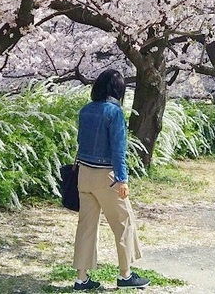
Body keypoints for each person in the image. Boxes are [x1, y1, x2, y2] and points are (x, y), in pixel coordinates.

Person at [73, 69, 149, 291]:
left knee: (86, 227)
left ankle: (81, 278)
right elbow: (118, 150)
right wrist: (122, 179)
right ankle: (125, 275)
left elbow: (80, 141)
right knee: (124, 222)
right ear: (118, 90)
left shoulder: (85, 110)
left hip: (84, 174)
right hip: (106, 176)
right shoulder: (114, 113)